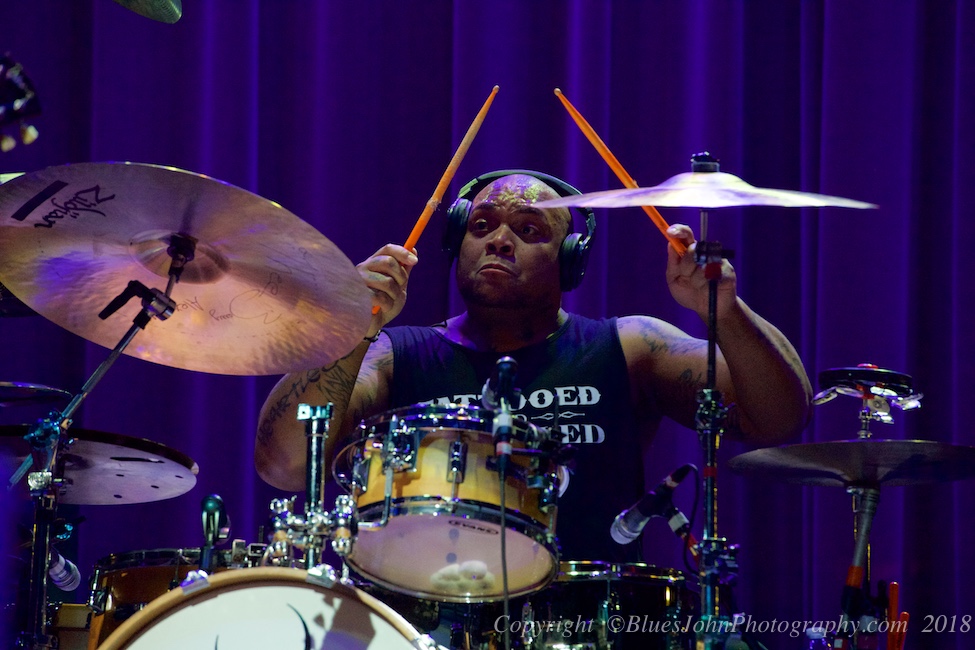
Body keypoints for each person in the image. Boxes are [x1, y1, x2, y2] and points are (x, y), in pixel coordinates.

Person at [254, 170, 812, 563]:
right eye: (481, 226)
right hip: (424, 619)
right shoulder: (393, 353)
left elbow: (780, 419)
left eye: (529, 230)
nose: (498, 240)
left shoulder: (631, 346)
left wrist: (725, 310)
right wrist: (352, 324)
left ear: (570, 259)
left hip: (589, 622)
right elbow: (282, 466)